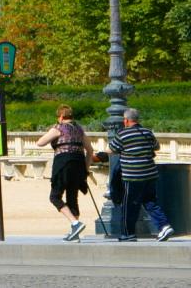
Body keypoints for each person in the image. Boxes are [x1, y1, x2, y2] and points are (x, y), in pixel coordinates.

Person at [109, 108, 175, 242]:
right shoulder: (147, 132)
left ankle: (128, 234)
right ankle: (164, 226)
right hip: (150, 174)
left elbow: (111, 149)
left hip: (132, 176)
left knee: (128, 205)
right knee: (150, 201)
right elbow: (156, 147)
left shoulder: (123, 134)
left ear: (126, 120)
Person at [36, 104, 96, 241]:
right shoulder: (80, 130)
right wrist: (86, 169)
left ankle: (75, 223)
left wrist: (53, 129)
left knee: (55, 197)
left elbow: (40, 143)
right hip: (79, 164)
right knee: (72, 197)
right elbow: (90, 150)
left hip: (64, 163)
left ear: (61, 116)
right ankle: (75, 233)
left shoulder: (58, 128)